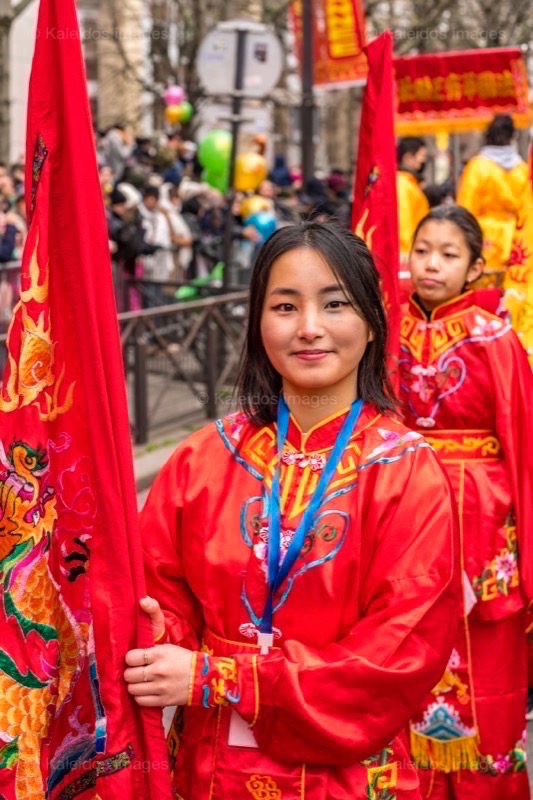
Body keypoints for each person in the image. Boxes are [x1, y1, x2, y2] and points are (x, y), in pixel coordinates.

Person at [124, 222, 461, 800]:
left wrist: (220, 678)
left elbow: (396, 655)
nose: (309, 328)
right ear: (258, 323)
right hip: (209, 773)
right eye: (285, 305)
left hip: (348, 777)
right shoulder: (203, 460)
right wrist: (157, 635)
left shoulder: (407, 472)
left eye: (335, 304)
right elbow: (162, 595)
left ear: (373, 324)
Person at [400, 206, 533, 799]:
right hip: (405, 517)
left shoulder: (496, 339)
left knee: (490, 678)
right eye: (423, 249)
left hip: (483, 529)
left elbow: (524, 448)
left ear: (476, 268)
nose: (430, 263)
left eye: (448, 254)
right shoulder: (383, 331)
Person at [457, 113, 533, 359]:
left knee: (482, 299)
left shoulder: (477, 167)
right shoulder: (522, 167)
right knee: (512, 297)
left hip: (485, 239)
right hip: (516, 240)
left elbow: (465, 208)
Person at [397, 137, 430, 263]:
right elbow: (404, 222)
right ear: (408, 158)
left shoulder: (409, 183)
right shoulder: (403, 184)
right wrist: (407, 253)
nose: (424, 160)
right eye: (422, 156)